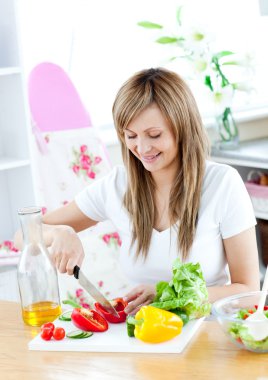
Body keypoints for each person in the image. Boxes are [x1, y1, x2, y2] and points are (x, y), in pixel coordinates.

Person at [15, 67, 260, 315]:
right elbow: (22, 236)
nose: (142, 148)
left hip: (205, 333)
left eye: (154, 135)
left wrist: (171, 293)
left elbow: (249, 292)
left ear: (182, 128)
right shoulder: (118, 186)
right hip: (142, 336)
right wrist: (60, 232)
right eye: (131, 136)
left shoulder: (222, 184)